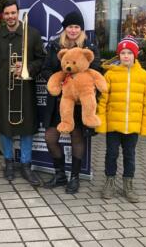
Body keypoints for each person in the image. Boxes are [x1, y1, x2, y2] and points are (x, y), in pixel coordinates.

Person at [40, 11, 101, 194]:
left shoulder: (89, 46)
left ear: (81, 29)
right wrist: (59, 80)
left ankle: (74, 178)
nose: (73, 30)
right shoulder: (54, 46)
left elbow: (97, 69)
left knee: (77, 138)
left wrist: (77, 78)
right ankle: (60, 175)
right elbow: (45, 69)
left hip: (80, 104)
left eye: (76, 27)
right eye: (70, 27)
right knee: (50, 138)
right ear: (65, 29)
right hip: (58, 102)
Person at [0, 0, 46, 186]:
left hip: (26, 88)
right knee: (6, 127)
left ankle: (26, 165)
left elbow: (41, 60)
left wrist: (27, 66)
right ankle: (9, 163)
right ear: (3, 16)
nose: (10, 16)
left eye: (13, 12)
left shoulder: (33, 34)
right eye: (7, 13)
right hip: (4, 89)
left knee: (27, 127)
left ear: (18, 12)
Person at [97, 35, 146, 203]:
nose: (126, 56)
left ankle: (128, 184)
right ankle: (109, 182)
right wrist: (101, 123)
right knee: (111, 154)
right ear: (119, 55)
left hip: (133, 126)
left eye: (130, 53)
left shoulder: (145, 76)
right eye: (123, 53)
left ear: (135, 55)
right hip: (113, 124)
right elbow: (103, 101)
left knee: (130, 155)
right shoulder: (110, 75)